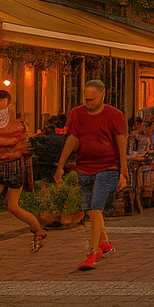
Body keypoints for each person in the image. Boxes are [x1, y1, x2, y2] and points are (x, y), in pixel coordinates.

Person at [54, 80, 128, 271]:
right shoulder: (77, 114)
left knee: (96, 210)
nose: (88, 103)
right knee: (89, 210)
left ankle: (92, 253)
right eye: (86, 99)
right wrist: (60, 166)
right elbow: (72, 139)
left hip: (108, 167)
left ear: (103, 95)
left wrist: (123, 172)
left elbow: (121, 143)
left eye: (92, 99)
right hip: (84, 167)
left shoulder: (114, 115)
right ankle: (105, 243)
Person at [0, 89, 43, 263]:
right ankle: (37, 231)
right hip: (12, 163)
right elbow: (21, 140)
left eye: (0, 101)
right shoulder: (16, 124)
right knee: (9, 206)